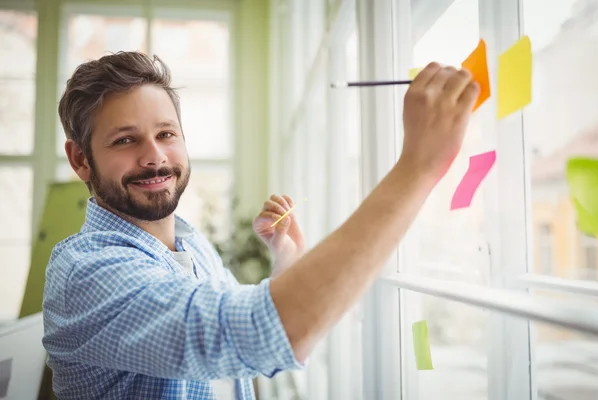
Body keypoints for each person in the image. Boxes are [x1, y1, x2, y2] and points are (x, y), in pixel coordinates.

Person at [42, 51, 479, 399]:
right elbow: (267, 331)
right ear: (81, 159)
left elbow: (266, 341)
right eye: (125, 140)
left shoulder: (190, 246)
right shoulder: (86, 270)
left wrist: (285, 256)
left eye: (167, 134)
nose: (154, 156)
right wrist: (418, 167)